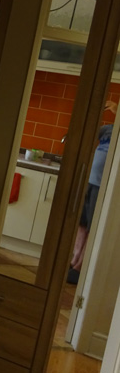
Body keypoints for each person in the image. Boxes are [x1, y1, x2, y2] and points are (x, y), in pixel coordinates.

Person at [69, 100, 117, 283]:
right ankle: (75, 259)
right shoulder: (107, 129)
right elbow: (87, 133)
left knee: (93, 227)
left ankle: (81, 266)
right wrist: (95, 113)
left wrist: (117, 112)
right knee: (82, 223)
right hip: (88, 181)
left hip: (103, 186)